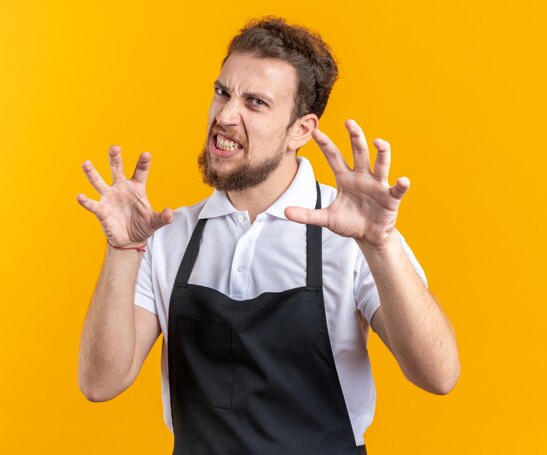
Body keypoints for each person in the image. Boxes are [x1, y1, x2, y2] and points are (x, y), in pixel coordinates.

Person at [77, 16, 460, 454]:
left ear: (301, 130)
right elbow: (100, 383)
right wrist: (123, 250)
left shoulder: (353, 233)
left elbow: (438, 375)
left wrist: (381, 245)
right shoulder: (168, 236)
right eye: (222, 92)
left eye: (255, 102)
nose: (225, 115)